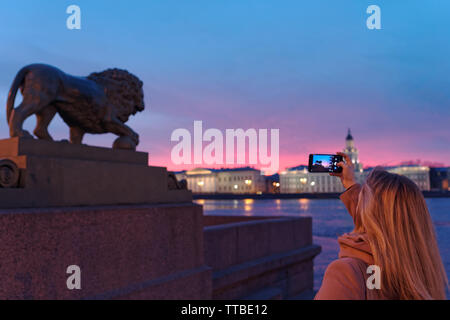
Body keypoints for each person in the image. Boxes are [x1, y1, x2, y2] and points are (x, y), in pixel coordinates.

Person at [315, 152, 448, 300]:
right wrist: (350, 183)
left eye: (364, 199)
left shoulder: (347, 273)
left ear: (368, 212)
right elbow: (385, 221)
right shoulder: (421, 271)